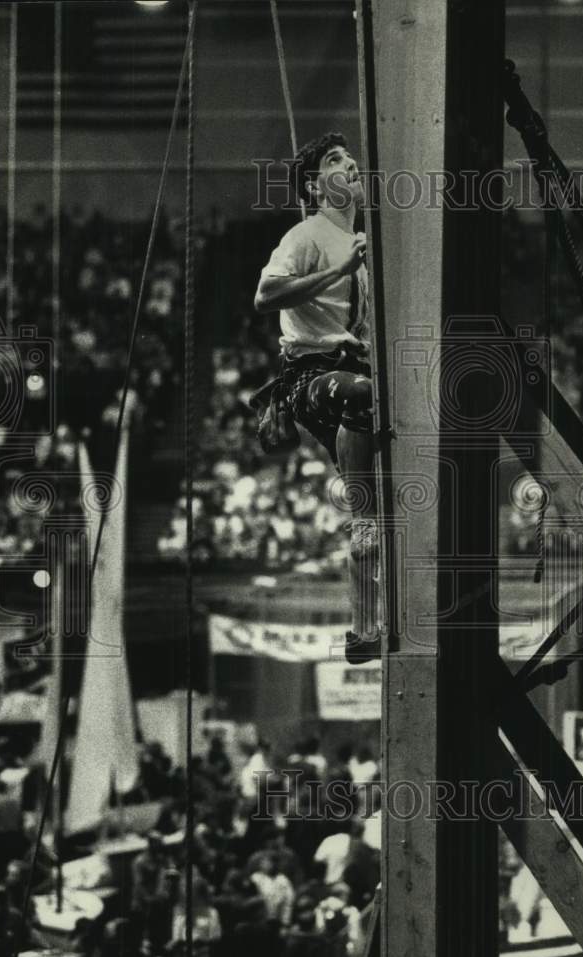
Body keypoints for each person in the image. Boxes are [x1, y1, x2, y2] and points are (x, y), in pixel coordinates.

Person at [254, 132, 380, 663]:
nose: (349, 165)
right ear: (314, 185)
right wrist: (337, 272)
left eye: (350, 160)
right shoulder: (307, 233)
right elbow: (265, 295)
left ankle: (364, 632)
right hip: (312, 379)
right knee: (364, 394)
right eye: (335, 161)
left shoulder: (361, 251)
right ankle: (364, 513)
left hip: (350, 371)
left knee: (383, 511)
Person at [0, 779, 26, 882]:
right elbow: (21, 819)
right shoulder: (15, 801)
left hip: (0, 836)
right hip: (14, 835)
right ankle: (10, 884)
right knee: (11, 861)